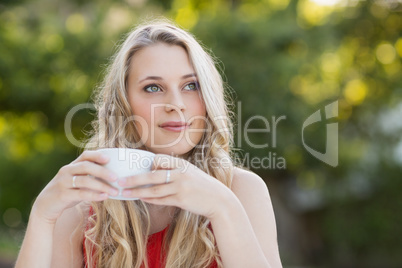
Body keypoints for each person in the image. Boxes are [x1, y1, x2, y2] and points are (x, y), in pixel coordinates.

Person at [15, 19, 282, 268]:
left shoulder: (241, 192)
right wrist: (42, 216)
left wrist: (222, 207)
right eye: (153, 87)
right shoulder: (82, 210)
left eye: (191, 85)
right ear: (123, 104)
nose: (176, 104)